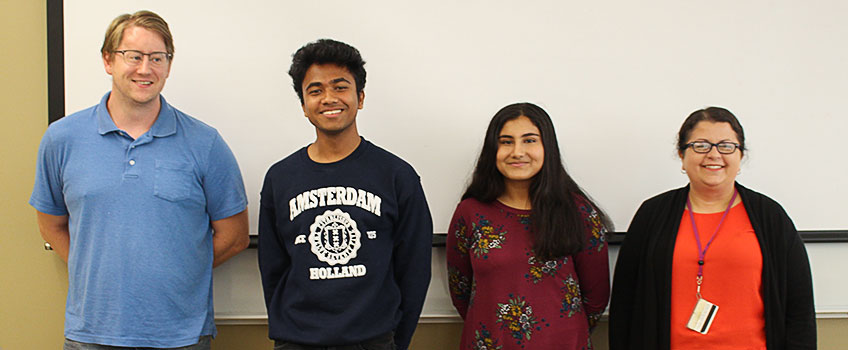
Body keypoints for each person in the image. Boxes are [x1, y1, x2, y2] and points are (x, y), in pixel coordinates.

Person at [29, 10, 249, 349]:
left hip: (181, 337)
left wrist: (180, 269)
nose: (145, 69)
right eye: (133, 56)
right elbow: (51, 225)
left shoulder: (206, 143)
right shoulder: (62, 139)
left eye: (157, 58)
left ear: (168, 66)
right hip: (91, 335)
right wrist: (96, 272)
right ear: (108, 60)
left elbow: (234, 237)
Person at [258, 39, 433, 350]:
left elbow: (415, 270)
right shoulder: (279, 178)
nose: (328, 98)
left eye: (340, 87)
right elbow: (272, 270)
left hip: (374, 341)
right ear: (303, 105)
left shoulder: (397, 175)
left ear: (360, 97)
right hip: (298, 341)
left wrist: (395, 341)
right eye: (315, 91)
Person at [608, 107, 816, 350]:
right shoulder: (652, 214)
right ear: (681, 155)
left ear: (740, 157)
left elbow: (799, 308)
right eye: (701, 145)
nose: (714, 154)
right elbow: (625, 303)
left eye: (726, 146)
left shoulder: (770, 217)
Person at [446, 102, 612, 349]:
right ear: (493, 150)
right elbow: (461, 290)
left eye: (529, 140)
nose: (517, 152)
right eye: (506, 141)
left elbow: (596, 296)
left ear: (548, 147)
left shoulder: (578, 212)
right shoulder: (470, 213)